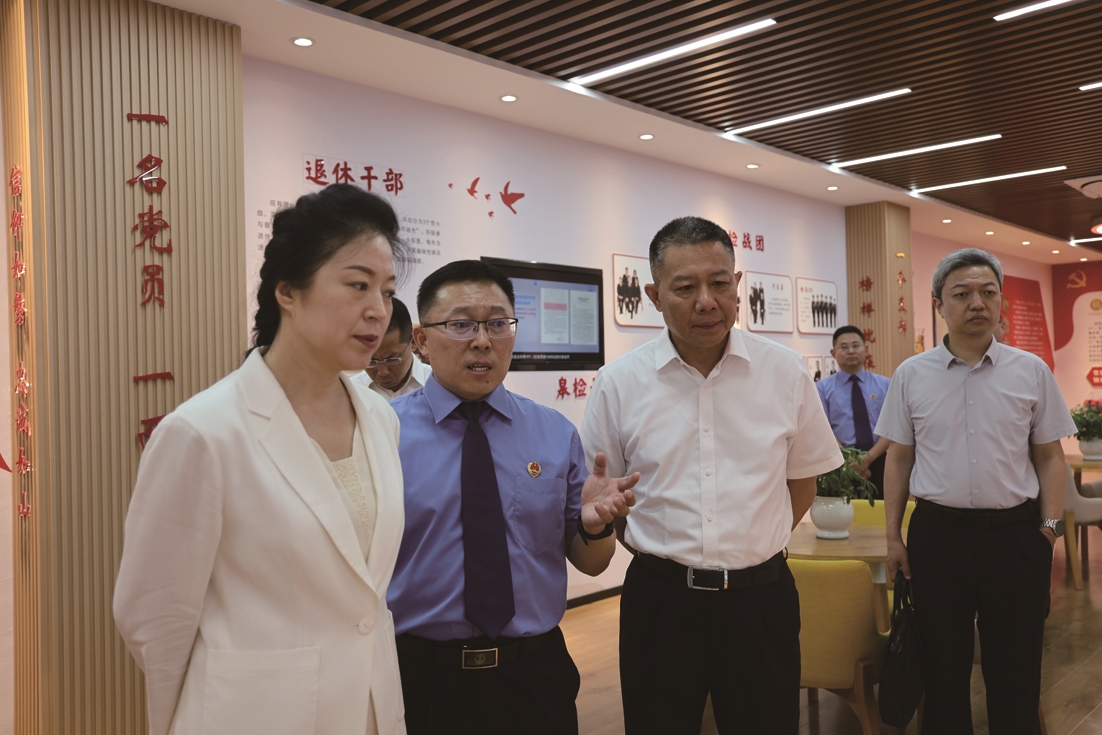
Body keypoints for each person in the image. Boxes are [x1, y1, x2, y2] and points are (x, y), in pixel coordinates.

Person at [113, 184, 411, 735]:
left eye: (387, 291)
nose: (378, 310)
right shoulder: (205, 432)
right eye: (358, 285)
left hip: (371, 709)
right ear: (288, 292)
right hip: (254, 716)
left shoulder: (379, 417)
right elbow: (153, 616)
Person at [581, 217, 842, 735]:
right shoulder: (619, 383)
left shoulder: (785, 371)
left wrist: (749, 545)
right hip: (661, 600)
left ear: (738, 285)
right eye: (685, 288)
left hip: (760, 599)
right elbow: (604, 492)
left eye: (720, 283)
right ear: (654, 296)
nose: (706, 301)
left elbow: (801, 482)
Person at [387, 259, 640, 735]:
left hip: (532, 676)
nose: (482, 340)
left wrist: (596, 526)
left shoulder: (553, 433)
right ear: (421, 340)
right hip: (418, 678)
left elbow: (592, 563)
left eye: (498, 324)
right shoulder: (383, 435)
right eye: (461, 324)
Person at [877, 248, 1075, 735]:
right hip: (938, 536)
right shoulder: (911, 375)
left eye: (988, 292)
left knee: (1017, 670)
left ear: (1001, 300)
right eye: (962, 293)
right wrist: (893, 537)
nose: (977, 303)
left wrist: (1049, 531)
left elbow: (1051, 458)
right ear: (938, 304)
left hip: (1017, 536)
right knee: (942, 670)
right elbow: (898, 459)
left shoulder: (1031, 371)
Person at [816, 325, 892, 497]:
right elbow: (823, 429)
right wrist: (851, 460)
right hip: (840, 462)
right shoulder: (822, 388)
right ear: (833, 353)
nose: (850, 351)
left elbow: (891, 427)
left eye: (856, 345)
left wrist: (867, 459)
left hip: (879, 460)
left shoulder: (884, 385)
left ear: (866, 350)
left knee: (881, 511)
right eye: (844, 347)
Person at [352, 296, 431, 400]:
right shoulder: (351, 392)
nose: (382, 372)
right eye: (371, 361)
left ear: (412, 342)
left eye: (392, 359)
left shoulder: (439, 385)